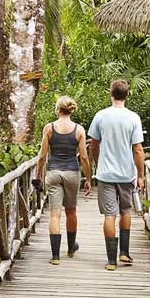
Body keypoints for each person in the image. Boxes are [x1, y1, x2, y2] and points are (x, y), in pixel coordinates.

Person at [89, 79, 145, 271]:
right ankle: (125, 252)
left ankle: (111, 260)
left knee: (109, 215)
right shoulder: (133, 118)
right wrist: (140, 175)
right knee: (125, 211)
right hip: (126, 174)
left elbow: (93, 145)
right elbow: (137, 149)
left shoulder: (101, 116)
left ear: (110, 93)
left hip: (105, 175)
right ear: (127, 95)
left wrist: (98, 164)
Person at [35, 96, 92, 265]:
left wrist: (38, 176)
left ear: (58, 109)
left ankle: (55, 256)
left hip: (53, 173)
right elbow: (84, 157)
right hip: (72, 174)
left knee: (55, 213)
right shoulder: (79, 129)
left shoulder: (49, 128)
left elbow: (42, 156)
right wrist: (88, 179)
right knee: (71, 211)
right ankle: (70, 247)